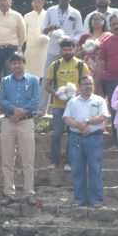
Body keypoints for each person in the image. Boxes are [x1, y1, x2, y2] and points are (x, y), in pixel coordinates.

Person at [63, 76, 111, 207]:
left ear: (93, 85)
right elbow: (67, 118)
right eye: (85, 84)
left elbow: (103, 116)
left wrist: (87, 122)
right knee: (78, 169)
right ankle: (79, 199)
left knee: (95, 168)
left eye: (90, 83)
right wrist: (79, 126)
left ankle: (97, 199)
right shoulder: (72, 102)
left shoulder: (99, 100)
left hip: (94, 138)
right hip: (76, 138)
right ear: (79, 86)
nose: (88, 86)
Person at [0, 52, 40, 202]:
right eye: (14, 63)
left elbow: (36, 100)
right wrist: (13, 110)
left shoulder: (34, 80)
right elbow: (2, 99)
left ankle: (29, 192)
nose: (17, 65)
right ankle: (8, 192)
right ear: (10, 65)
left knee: (28, 158)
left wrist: (21, 112)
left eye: (19, 62)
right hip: (8, 121)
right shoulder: (5, 81)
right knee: (7, 158)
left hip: (26, 121)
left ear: (24, 63)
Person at [44, 38, 85, 171]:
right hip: (58, 106)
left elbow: (87, 83)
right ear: (60, 50)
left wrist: (76, 94)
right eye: (64, 49)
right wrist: (56, 93)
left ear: (75, 49)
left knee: (72, 134)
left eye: (70, 49)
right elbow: (47, 85)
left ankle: (69, 162)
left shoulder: (80, 65)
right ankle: (54, 161)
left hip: (75, 106)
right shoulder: (54, 65)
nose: (67, 52)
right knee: (57, 134)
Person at [77, 11, 112, 89]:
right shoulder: (84, 37)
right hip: (87, 68)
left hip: (103, 67)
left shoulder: (108, 36)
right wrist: (85, 49)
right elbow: (77, 55)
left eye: (99, 20)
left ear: (103, 22)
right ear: (90, 22)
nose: (96, 22)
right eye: (94, 19)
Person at [23, 0, 49, 79]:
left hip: (44, 50)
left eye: (38, 1)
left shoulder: (48, 15)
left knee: (44, 75)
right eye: (34, 2)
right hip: (30, 50)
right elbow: (23, 35)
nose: (36, 4)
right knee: (29, 75)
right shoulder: (26, 16)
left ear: (43, 2)